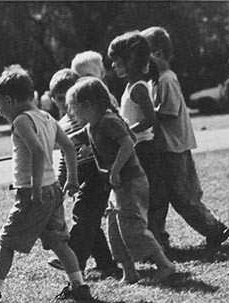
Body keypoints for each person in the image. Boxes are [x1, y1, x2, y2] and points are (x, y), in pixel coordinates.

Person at [0, 65, 93, 303]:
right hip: (53, 190)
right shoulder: (48, 117)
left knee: (7, 241)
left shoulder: (21, 120)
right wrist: (71, 178)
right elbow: (69, 147)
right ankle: (79, 286)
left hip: (35, 193)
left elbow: (38, 152)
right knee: (58, 242)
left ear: (9, 100)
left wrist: (34, 186)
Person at [66, 77, 176, 285]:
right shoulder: (93, 125)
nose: (73, 114)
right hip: (117, 187)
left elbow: (129, 142)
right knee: (115, 230)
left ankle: (165, 265)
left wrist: (115, 170)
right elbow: (70, 138)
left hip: (130, 182)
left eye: (74, 108)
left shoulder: (108, 120)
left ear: (88, 105)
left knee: (132, 227)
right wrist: (49, 138)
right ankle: (129, 272)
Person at [141, 26, 229, 248]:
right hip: (165, 148)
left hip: (174, 148)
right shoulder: (156, 80)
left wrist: (145, 113)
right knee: (160, 195)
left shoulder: (166, 79)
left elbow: (169, 111)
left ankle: (215, 229)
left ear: (159, 54)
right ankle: (158, 238)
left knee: (183, 196)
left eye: (145, 56)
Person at [47, 68, 119, 278]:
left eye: (68, 97)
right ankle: (106, 264)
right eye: (59, 98)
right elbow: (64, 157)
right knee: (90, 219)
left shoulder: (88, 117)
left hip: (97, 171)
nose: (65, 103)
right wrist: (61, 184)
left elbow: (105, 135)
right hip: (79, 174)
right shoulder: (62, 124)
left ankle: (74, 257)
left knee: (84, 213)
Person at [108, 31, 168, 248]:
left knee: (149, 196)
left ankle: (157, 238)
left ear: (129, 60)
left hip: (144, 148)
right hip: (136, 147)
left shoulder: (139, 88)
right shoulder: (130, 86)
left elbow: (150, 119)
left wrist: (127, 133)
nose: (113, 65)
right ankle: (153, 238)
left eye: (116, 61)